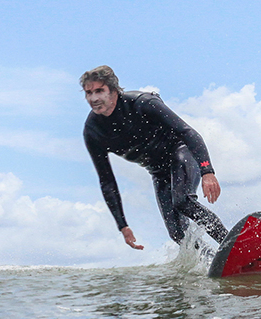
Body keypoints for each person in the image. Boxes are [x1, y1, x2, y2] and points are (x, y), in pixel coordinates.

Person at [81, 65, 229, 250]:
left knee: (183, 201)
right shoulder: (93, 131)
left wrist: (207, 171)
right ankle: (212, 262)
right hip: (158, 172)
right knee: (177, 233)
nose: (94, 98)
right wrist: (122, 225)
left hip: (180, 153)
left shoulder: (142, 103)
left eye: (99, 91)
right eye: (89, 93)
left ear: (113, 90)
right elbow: (107, 181)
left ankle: (231, 244)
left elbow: (187, 131)